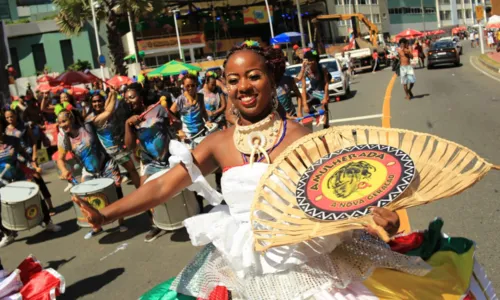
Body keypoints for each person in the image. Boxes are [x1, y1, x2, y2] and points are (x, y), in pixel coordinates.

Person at [72, 40, 480, 299]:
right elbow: (162, 188)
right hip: (244, 266)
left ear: (271, 79)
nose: (243, 87)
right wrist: (107, 213)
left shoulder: (302, 135)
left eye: (253, 76)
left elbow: (341, 195)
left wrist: (379, 221)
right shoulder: (217, 142)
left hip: (312, 261)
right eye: (234, 80)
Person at [56, 109, 127, 239]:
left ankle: (121, 221)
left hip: (106, 164)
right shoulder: (63, 138)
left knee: (116, 193)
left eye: (64, 121)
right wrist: (64, 170)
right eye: (60, 122)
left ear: (71, 119)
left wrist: (112, 96)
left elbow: (107, 113)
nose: (62, 125)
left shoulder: (87, 125)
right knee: (86, 198)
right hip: (89, 171)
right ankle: (96, 227)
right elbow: (60, 158)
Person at [123, 83, 176, 242]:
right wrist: (128, 125)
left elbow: (174, 123)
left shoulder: (157, 109)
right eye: (126, 99)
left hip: (168, 156)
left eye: (132, 97)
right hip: (149, 161)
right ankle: (155, 224)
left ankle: (192, 211)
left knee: (182, 185)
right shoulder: (131, 120)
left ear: (141, 96)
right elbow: (130, 145)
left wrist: (172, 118)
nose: (129, 101)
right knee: (144, 193)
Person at [0, 119, 61, 248]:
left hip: (17, 176)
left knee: (35, 197)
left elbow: (22, 155)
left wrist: (31, 166)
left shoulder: (13, 140)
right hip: (1, 181)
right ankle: (8, 234)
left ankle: (48, 222)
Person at [4, 110, 55, 215]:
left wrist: (34, 155)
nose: (10, 119)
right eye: (7, 118)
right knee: (27, 185)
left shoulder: (24, 126)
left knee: (38, 180)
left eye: (11, 116)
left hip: (29, 156)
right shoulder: (6, 131)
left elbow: (34, 141)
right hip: (17, 160)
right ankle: (38, 210)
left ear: (16, 115)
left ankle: (50, 206)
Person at [85, 90, 140, 188]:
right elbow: (109, 110)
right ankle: (141, 194)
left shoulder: (103, 111)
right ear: (91, 103)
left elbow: (107, 107)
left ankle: (141, 194)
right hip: (111, 151)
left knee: (130, 172)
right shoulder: (91, 118)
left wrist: (110, 94)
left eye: (99, 101)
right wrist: (114, 95)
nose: (97, 103)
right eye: (94, 102)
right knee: (130, 172)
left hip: (116, 148)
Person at [170, 74, 211, 141]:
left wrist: (207, 121)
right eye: (187, 86)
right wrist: (179, 130)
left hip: (201, 131)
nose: (190, 88)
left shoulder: (200, 97)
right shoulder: (181, 99)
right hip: (187, 136)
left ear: (196, 85)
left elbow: (203, 111)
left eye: (192, 85)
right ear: (183, 86)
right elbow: (170, 114)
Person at [296, 49, 330, 128]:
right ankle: (317, 116)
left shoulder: (322, 68)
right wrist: (304, 104)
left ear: (316, 60)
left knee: (324, 107)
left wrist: (326, 96)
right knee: (301, 99)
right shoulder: (306, 70)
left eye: (313, 60)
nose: (311, 63)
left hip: (322, 91)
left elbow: (326, 83)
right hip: (313, 91)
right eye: (309, 60)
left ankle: (326, 124)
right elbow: (303, 87)